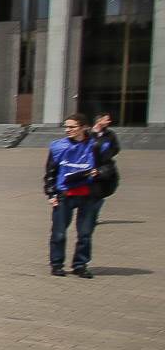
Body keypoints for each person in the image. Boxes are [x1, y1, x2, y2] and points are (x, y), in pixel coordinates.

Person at [46, 112, 109, 278]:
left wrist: (99, 171)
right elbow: (51, 172)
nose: (68, 130)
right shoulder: (58, 146)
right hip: (64, 195)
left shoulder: (96, 146)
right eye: (66, 127)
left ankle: (80, 265)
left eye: (72, 127)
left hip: (88, 196)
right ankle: (57, 264)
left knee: (85, 233)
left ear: (83, 127)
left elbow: (109, 168)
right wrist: (51, 194)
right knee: (59, 233)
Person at [90, 112, 121, 216]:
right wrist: (94, 134)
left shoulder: (110, 134)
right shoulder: (89, 134)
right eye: (106, 119)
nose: (109, 121)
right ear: (99, 121)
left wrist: (108, 155)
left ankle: (93, 214)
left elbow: (116, 148)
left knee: (101, 192)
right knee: (94, 193)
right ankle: (91, 215)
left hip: (105, 168)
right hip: (91, 167)